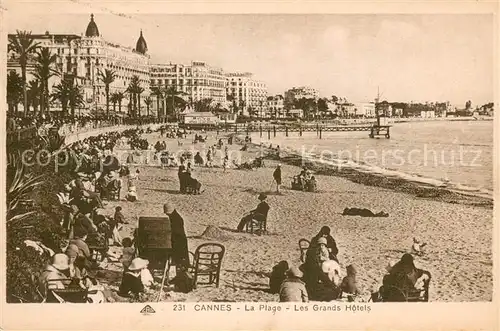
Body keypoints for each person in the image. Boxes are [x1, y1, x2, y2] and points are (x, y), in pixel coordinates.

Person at [163, 203, 189, 269]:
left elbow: (176, 233)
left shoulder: (176, 219)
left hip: (179, 243)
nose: (166, 214)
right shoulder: (175, 217)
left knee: (180, 262)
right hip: (179, 241)